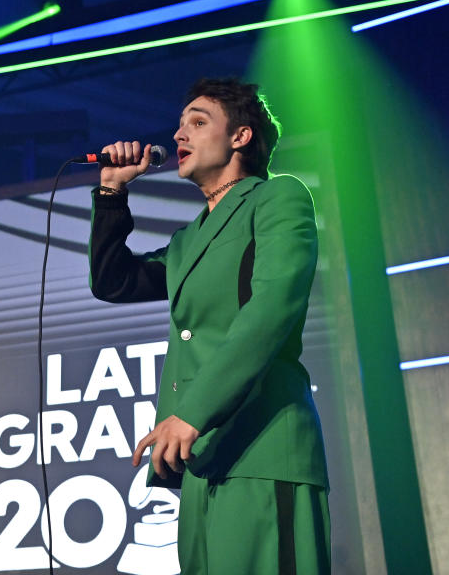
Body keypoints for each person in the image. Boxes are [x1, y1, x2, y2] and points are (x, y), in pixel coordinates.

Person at [88, 77, 330, 574]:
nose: (179, 135)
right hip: (202, 461)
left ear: (240, 137)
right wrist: (111, 191)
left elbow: (271, 309)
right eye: (179, 126)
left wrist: (192, 413)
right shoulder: (186, 241)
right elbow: (113, 282)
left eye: (197, 122)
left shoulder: (277, 197)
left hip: (262, 445)